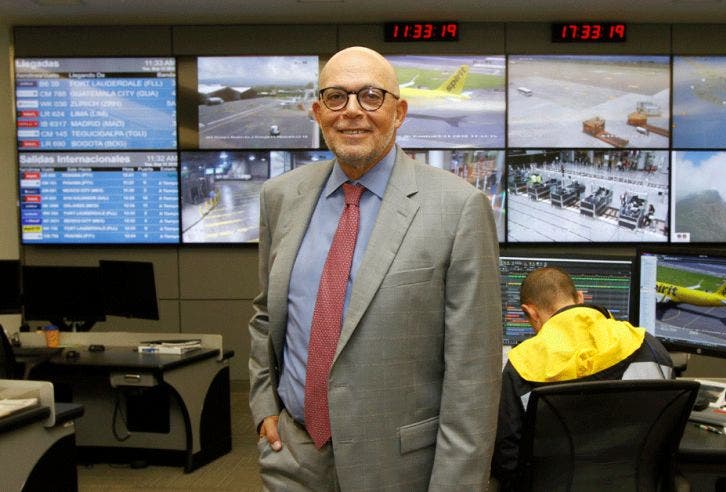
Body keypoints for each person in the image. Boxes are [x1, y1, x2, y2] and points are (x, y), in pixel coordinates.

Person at [249, 46, 502, 491]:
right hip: (291, 458)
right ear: (317, 111)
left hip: (400, 469)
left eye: (370, 96)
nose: (352, 113)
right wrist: (264, 405)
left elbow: (473, 374)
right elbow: (266, 316)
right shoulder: (281, 197)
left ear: (398, 111)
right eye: (336, 98)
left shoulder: (459, 207)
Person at [491, 267, 674, 487]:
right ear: (580, 298)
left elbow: (507, 460)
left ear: (530, 312)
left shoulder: (521, 365)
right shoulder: (647, 344)